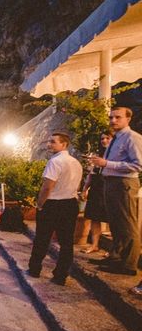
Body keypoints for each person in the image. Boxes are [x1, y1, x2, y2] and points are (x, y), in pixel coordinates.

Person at [88, 107, 142, 276]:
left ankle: (128, 265)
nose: (113, 121)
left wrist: (107, 164)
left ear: (128, 119)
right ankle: (116, 259)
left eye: (118, 117)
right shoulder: (116, 138)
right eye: (111, 117)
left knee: (127, 225)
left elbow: (138, 164)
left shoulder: (132, 138)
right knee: (116, 224)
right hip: (111, 183)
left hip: (124, 184)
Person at [27, 133, 83, 286]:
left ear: (64, 144)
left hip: (53, 204)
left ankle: (34, 269)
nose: (49, 144)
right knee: (66, 242)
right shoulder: (76, 162)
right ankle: (60, 276)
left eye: (53, 142)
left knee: (42, 238)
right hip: (70, 204)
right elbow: (77, 185)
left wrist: (39, 205)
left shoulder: (55, 161)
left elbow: (47, 187)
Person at [80, 131, 113, 254]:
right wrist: (85, 189)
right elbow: (91, 174)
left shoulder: (116, 155)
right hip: (96, 188)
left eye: (107, 138)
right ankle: (95, 245)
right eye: (102, 139)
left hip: (109, 187)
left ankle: (113, 250)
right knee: (94, 217)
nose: (104, 140)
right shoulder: (99, 154)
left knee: (112, 219)